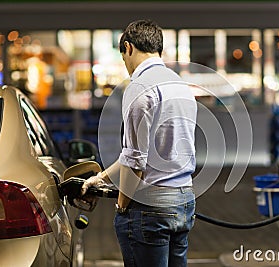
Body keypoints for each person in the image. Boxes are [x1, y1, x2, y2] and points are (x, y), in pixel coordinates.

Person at [81, 19, 197, 267]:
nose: (126, 66)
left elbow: (136, 161)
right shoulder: (180, 84)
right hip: (183, 201)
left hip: (150, 208)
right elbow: (142, 154)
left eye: (123, 58)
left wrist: (122, 206)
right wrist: (100, 178)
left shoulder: (139, 86)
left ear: (128, 47)